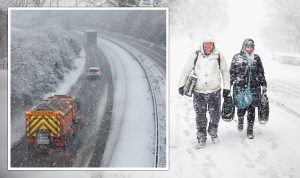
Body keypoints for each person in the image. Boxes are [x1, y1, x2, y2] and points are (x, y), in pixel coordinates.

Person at [178, 36, 230, 149]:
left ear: (213, 45)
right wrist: (181, 85)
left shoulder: (219, 55)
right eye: (206, 44)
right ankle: (201, 137)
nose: (208, 46)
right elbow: (186, 70)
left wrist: (227, 87)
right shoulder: (195, 55)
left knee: (215, 115)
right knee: (200, 116)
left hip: (214, 91)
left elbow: (225, 71)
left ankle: (213, 131)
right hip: (199, 92)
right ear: (202, 44)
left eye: (210, 44)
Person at [230, 38, 267, 139]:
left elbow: (261, 72)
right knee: (241, 108)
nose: (249, 49)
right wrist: (228, 85)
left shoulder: (256, 58)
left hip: (254, 88)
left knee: (251, 109)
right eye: (247, 47)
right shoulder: (237, 57)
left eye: (251, 47)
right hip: (240, 88)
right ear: (244, 46)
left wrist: (264, 85)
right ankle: (241, 120)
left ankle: (250, 130)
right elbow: (232, 72)